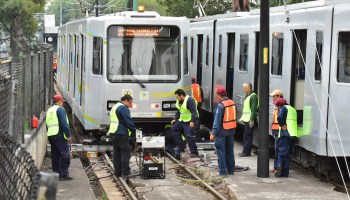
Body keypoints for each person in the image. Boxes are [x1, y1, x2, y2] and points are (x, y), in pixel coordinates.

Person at [107, 94, 136, 179]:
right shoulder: (123, 108)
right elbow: (128, 121)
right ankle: (125, 173)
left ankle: (118, 172)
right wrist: (134, 131)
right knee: (125, 152)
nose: (131, 105)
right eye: (130, 103)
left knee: (116, 153)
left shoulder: (115, 106)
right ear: (126, 101)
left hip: (113, 132)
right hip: (121, 133)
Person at [46, 95, 73, 181]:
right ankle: (64, 174)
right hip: (59, 135)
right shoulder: (60, 109)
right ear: (60, 101)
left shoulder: (49, 110)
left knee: (55, 155)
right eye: (62, 102)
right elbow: (64, 124)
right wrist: (68, 135)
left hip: (51, 135)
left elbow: (47, 124)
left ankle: (56, 174)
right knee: (65, 155)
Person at [210, 88, 236, 176]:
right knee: (230, 151)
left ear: (218, 95)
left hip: (221, 132)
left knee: (221, 151)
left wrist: (213, 133)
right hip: (231, 131)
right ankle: (231, 170)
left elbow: (216, 122)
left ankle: (223, 171)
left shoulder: (220, 106)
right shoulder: (232, 103)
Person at [171, 89, 199, 158]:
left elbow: (194, 112)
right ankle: (181, 145)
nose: (177, 98)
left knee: (189, 136)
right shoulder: (179, 101)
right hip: (182, 120)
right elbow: (179, 111)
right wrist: (175, 119)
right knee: (174, 129)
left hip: (190, 120)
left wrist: (192, 121)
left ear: (181, 95)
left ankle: (194, 153)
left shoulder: (190, 100)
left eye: (177, 97)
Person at [274, 98, 298, 178]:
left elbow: (279, 117)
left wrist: (282, 125)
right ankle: (285, 173)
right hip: (293, 134)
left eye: (277, 106)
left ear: (279, 105)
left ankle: (279, 166)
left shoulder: (283, 108)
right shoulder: (293, 109)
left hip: (286, 134)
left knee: (282, 152)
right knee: (288, 155)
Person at [239, 82, 259, 157]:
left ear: (249, 88)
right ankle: (245, 151)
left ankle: (246, 152)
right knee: (246, 136)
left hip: (249, 120)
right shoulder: (248, 95)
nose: (243, 89)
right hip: (246, 119)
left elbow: (253, 109)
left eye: (245, 88)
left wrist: (252, 120)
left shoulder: (253, 97)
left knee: (248, 136)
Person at [269, 90, 284, 173]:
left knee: (278, 150)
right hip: (276, 131)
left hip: (278, 131)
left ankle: (277, 167)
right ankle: (275, 167)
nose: (272, 98)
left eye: (274, 96)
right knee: (276, 150)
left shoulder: (280, 107)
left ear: (278, 96)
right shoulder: (277, 107)